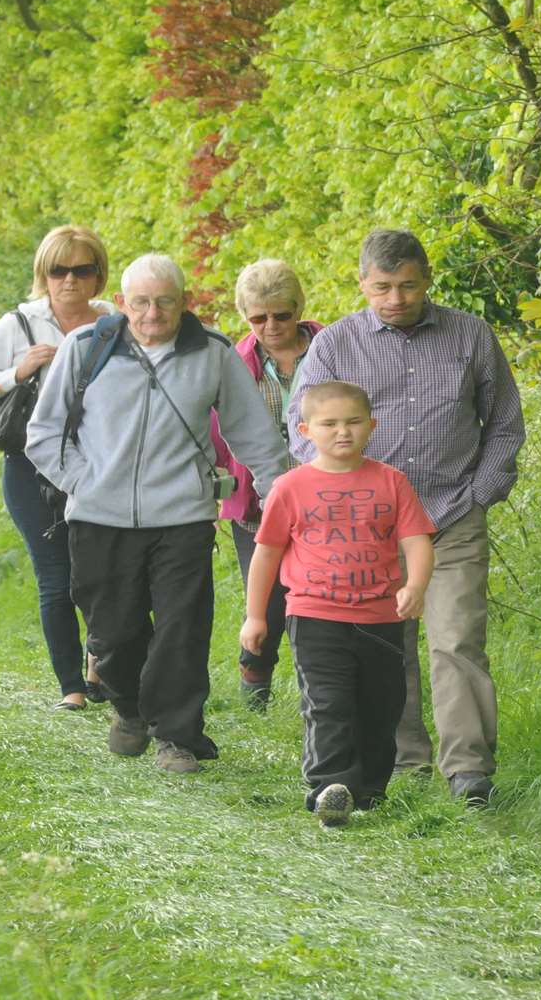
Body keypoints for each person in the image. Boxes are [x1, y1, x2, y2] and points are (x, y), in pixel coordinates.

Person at [24, 253, 293, 775]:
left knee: (182, 629)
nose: (153, 313)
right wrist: (85, 482)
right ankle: (129, 707)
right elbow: (44, 433)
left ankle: (178, 737)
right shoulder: (86, 348)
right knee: (113, 633)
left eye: (165, 301)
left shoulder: (212, 353)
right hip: (100, 518)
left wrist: (283, 502)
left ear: (183, 302)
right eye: (142, 302)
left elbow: (255, 439)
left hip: (183, 517)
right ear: (123, 303)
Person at [289, 229, 526, 806]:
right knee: (384, 648)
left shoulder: (470, 336)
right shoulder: (335, 347)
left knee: (457, 640)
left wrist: (482, 491)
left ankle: (468, 770)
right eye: (384, 287)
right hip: (367, 526)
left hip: (450, 514)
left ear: (427, 281)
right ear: (363, 283)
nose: (396, 298)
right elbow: (301, 433)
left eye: (409, 286)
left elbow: (503, 421)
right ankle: (404, 760)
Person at [242, 381, 436, 826]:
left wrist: (417, 586)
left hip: (381, 616)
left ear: (373, 425)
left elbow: (417, 541)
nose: (342, 432)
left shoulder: (391, 481)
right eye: (329, 424)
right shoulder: (291, 487)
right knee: (328, 703)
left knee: (382, 704)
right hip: (315, 614)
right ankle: (329, 786)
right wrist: (255, 616)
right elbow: (266, 553)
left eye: (352, 422)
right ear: (306, 429)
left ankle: (367, 790)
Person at [0, 224, 116, 712]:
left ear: (98, 276)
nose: (69, 280)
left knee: (104, 571)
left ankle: (101, 666)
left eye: (82, 270)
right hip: (31, 467)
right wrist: (18, 371)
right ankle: (70, 685)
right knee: (55, 575)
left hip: (103, 464)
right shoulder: (18, 325)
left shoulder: (119, 322)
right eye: (58, 270)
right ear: (43, 275)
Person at [210, 259, 325, 711]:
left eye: (281, 315)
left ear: (298, 309)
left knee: (315, 596)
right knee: (269, 597)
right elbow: (218, 435)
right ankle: (254, 677)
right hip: (257, 499)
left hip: (324, 492)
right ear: (245, 316)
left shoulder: (331, 348)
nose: (271, 326)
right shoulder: (233, 362)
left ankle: (317, 696)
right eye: (258, 318)